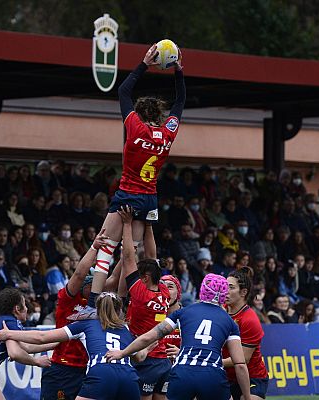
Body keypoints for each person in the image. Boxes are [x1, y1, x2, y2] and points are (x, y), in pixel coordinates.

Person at [80, 42, 185, 317]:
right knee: (134, 253)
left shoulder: (134, 125)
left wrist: (143, 64)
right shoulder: (169, 132)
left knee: (106, 246)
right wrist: (179, 71)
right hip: (150, 197)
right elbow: (180, 102)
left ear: (139, 114)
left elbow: (123, 91)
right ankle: (125, 305)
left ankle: (92, 307)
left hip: (128, 193)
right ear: (159, 116)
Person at [105, 273, 251, 400]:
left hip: (183, 373)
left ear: (202, 290)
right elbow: (239, 364)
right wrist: (248, 397)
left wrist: (122, 353)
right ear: (224, 294)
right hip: (212, 374)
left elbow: (148, 337)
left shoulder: (184, 312)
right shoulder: (229, 322)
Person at [0, 291, 147, 400]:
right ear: (120, 310)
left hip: (102, 371)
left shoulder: (86, 323)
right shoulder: (126, 329)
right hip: (129, 376)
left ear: (97, 309)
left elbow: (42, 337)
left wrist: (8, 334)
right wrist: (152, 342)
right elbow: (140, 356)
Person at [37, 228, 109, 400]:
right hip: (63, 369)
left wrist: (126, 252)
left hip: (87, 369)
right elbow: (78, 274)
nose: (98, 288)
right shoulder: (66, 298)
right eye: (93, 284)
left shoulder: (98, 302)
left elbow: (114, 281)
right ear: (85, 285)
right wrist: (94, 247)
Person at [116, 205, 171, 400]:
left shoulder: (140, 293)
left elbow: (128, 256)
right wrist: (148, 224)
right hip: (163, 361)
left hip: (146, 360)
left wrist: (127, 224)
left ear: (145, 278)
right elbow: (152, 256)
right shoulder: (164, 291)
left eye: (140, 276)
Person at [223, 268, 269, 400]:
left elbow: (242, 359)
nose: (225, 291)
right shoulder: (220, 311)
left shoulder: (250, 319)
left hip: (253, 377)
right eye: (225, 286)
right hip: (225, 376)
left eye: (230, 287)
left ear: (243, 292)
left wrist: (212, 361)